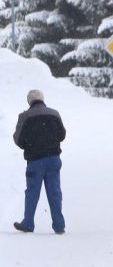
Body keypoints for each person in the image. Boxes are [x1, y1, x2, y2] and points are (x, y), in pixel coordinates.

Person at [13, 89, 67, 235]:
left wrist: (30, 145)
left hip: (35, 161)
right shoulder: (54, 113)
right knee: (54, 192)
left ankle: (28, 223)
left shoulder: (24, 116)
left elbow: (17, 139)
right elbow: (62, 135)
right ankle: (59, 225)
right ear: (42, 99)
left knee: (32, 192)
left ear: (29, 101)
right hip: (53, 159)